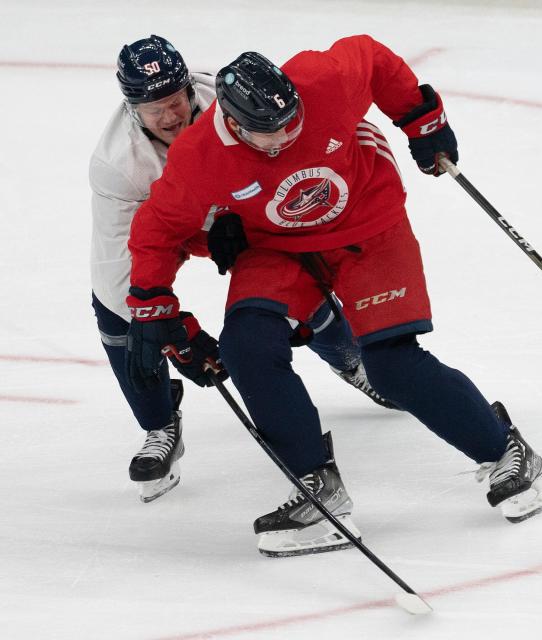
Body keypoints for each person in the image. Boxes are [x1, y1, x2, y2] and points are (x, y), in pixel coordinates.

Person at [125, 35, 542, 557]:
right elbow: (156, 229)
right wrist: (152, 305)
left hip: (368, 224)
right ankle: (316, 486)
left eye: (292, 123)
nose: (286, 136)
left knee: (392, 367)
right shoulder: (199, 157)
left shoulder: (321, 82)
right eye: (269, 133)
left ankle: (505, 450)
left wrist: (421, 119)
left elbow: (372, 57)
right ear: (235, 125)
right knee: (248, 349)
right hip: (277, 248)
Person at [90, 35, 390, 504]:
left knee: (292, 280)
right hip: (171, 228)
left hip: (247, 211)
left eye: (175, 101)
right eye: (154, 110)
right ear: (132, 108)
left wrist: (236, 214)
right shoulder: (117, 165)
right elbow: (119, 267)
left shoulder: (236, 103)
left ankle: (349, 359)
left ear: (190, 88)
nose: (169, 116)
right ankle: (159, 425)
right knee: (118, 317)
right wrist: (169, 327)